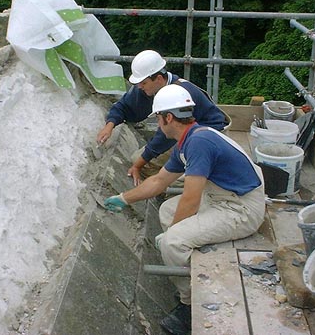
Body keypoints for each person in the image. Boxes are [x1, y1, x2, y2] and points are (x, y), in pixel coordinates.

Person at [103, 85, 265, 335]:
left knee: (173, 241)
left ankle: (189, 304)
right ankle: (188, 258)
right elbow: (159, 181)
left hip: (241, 207)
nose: (158, 124)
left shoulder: (198, 143)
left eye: (158, 117)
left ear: (168, 117)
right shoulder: (189, 139)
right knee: (168, 210)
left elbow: (190, 197)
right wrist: (124, 198)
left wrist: (172, 237)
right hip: (224, 195)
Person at [96, 50, 228, 185]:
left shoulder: (176, 94)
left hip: (211, 134)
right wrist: (109, 125)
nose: (140, 87)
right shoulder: (148, 87)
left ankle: (192, 180)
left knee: (149, 166)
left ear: (158, 78)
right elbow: (123, 106)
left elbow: (164, 138)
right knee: (145, 162)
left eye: (143, 83)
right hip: (189, 131)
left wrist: (138, 165)